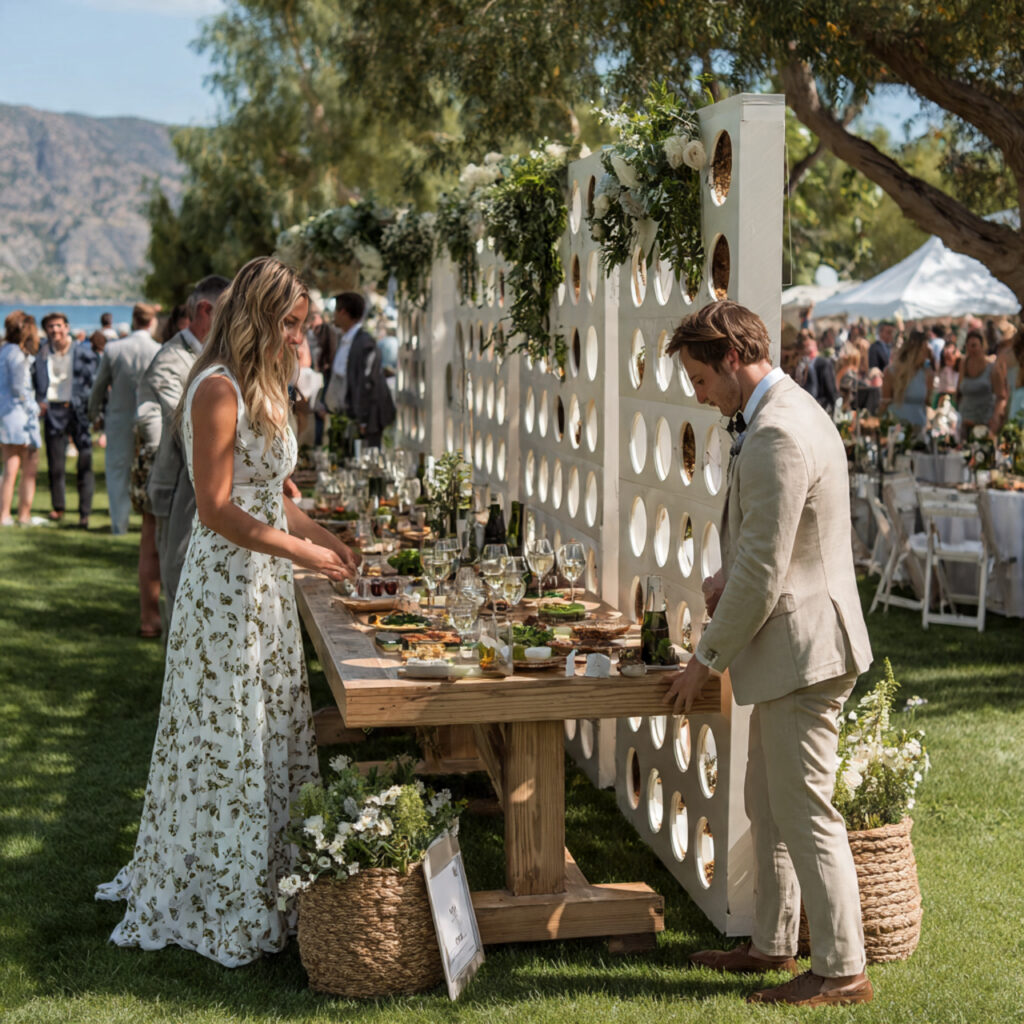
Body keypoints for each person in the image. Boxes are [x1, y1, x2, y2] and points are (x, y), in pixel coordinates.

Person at [96, 257, 359, 967]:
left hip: (263, 587)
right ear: (259, 318)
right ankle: (219, 888)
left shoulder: (263, 386)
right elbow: (217, 511)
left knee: (267, 726)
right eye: (293, 324)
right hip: (225, 592)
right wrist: (303, 557)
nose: (301, 338)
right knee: (225, 731)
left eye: (304, 325)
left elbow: (274, 497)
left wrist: (330, 541)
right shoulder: (216, 390)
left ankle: (272, 876)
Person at [663, 301, 873, 1008]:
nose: (697, 393)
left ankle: (843, 970)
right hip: (796, 645)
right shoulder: (785, 411)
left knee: (805, 811)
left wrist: (705, 661)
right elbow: (772, 546)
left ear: (729, 359)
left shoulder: (779, 430)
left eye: (698, 377)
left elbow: (762, 573)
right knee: (767, 803)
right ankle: (773, 944)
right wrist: (729, 575)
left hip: (803, 653)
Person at [138, 275, 230, 627]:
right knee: (181, 592)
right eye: (229, 312)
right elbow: (187, 428)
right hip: (178, 488)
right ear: (206, 310)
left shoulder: (212, 356)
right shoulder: (171, 361)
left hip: (210, 490)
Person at [88, 304, 160, 534]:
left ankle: (119, 525)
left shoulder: (114, 349)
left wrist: (94, 415)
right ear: (152, 322)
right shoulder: (159, 349)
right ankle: (152, 525)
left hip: (119, 417)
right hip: (152, 419)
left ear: (133, 320)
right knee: (153, 471)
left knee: (117, 471)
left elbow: (99, 387)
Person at [32, 311, 100, 526]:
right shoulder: (41, 354)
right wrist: (39, 400)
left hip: (77, 411)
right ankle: (58, 507)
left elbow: (96, 382)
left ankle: (85, 513)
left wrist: (97, 413)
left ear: (66, 327)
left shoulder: (84, 353)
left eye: (58, 325)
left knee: (85, 461)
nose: (55, 330)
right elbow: (34, 380)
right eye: (50, 327)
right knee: (56, 465)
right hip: (53, 410)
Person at [0, 313, 46, 527]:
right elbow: (21, 388)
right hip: (20, 418)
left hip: (6, 417)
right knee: (28, 468)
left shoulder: (3, 352)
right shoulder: (17, 355)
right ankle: (23, 515)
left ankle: (5, 514)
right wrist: (34, 408)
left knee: (9, 469)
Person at [880, 329, 933, 433]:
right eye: (924, 350)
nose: (926, 355)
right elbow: (885, 402)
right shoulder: (892, 372)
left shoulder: (927, 373)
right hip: (897, 429)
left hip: (918, 428)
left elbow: (927, 403)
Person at [956, 329, 1002, 437]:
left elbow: (1000, 395)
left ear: (982, 346)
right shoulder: (963, 364)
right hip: (966, 420)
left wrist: (995, 417)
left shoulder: (991, 367)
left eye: (974, 345)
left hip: (985, 421)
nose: (971, 349)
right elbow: (958, 390)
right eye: (968, 345)